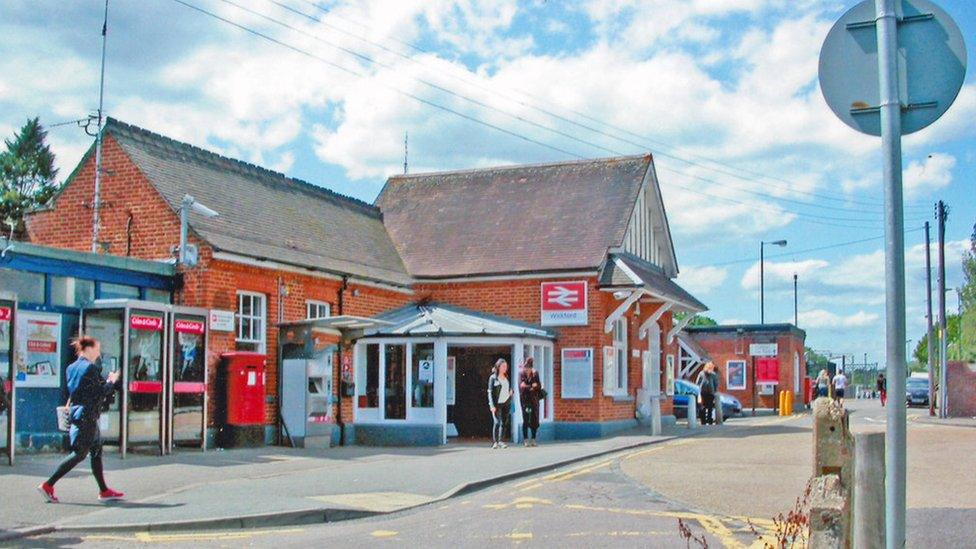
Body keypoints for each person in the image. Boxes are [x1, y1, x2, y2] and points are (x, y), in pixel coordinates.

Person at [38, 336, 124, 503]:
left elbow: (80, 390)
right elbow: (100, 391)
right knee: (79, 454)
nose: (98, 353)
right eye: (97, 349)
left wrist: (107, 382)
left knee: (96, 451)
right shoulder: (89, 368)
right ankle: (48, 484)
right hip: (87, 416)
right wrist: (111, 381)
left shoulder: (71, 367)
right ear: (88, 349)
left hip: (81, 413)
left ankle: (104, 490)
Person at [487, 358, 513, 449]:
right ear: (498, 367)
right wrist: (492, 405)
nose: (505, 368)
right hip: (496, 403)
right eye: (503, 366)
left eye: (506, 366)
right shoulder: (493, 378)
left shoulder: (506, 377)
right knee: (497, 422)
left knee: (504, 422)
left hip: (506, 402)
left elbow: (508, 387)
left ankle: (501, 440)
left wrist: (510, 392)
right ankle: (495, 442)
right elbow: (489, 392)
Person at [519, 357, 543, 446]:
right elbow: (521, 386)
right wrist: (531, 386)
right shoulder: (521, 374)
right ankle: (525, 439)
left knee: (534, 419)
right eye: (526, 368)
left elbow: (539, 385)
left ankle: (533, 439)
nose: (527, 370)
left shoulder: (535, 374)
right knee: (526, 419)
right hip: (525, 401)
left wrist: (532, 386)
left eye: (529, 368)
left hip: (534, 400)